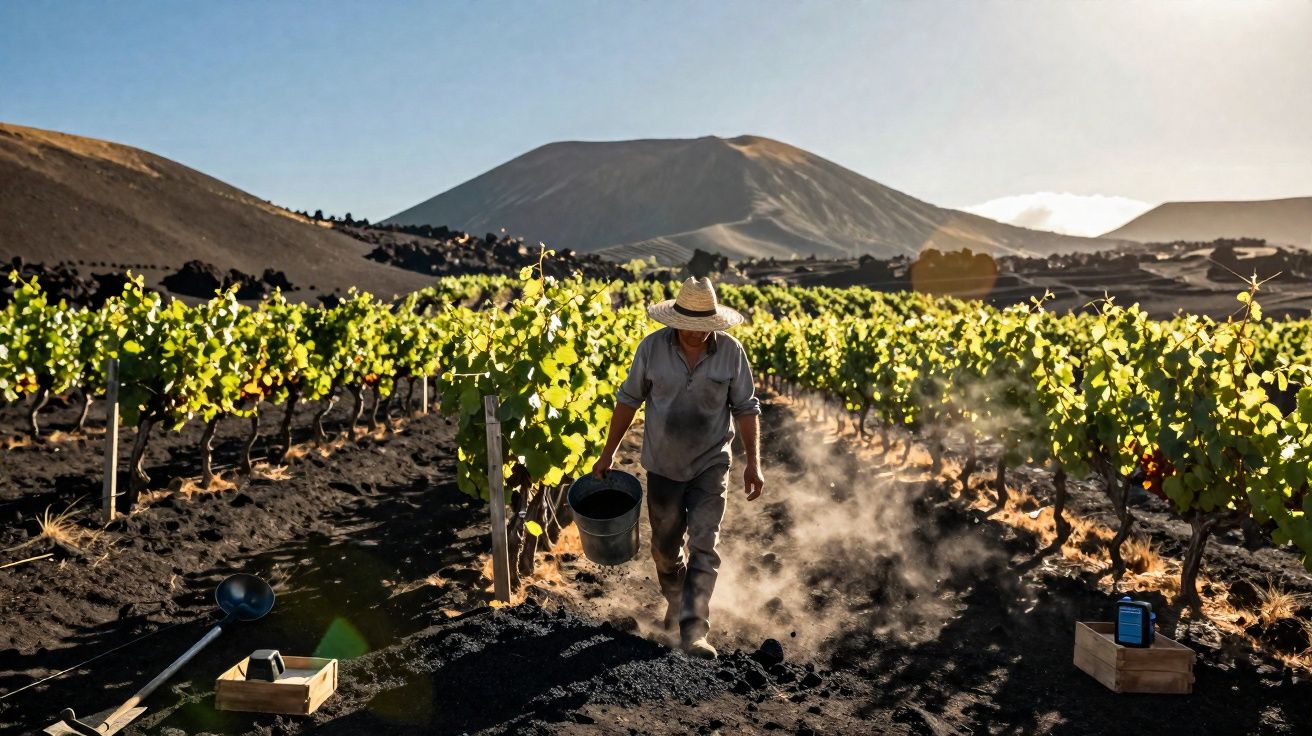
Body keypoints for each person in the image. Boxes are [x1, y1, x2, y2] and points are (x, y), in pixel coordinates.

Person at [592, 276, 765, 659]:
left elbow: (746, 408)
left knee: (705, 542)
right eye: (688, 325)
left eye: (703, 327)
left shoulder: (731, 353)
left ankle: (694, 629)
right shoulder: (651, 349)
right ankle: (677, 599)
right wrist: (608, 454)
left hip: (711, 463)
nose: (695, 334)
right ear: (675, 320)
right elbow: (628, 400)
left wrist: (753, 462)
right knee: (665, 550)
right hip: (663, 466)